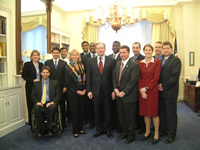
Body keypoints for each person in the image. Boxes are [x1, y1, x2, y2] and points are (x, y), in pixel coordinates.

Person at [87, 42, 115, 138]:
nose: (100, 50)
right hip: (95, 91)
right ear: (95, 49)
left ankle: (107, 129)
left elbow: (113, 77)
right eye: (98, 48)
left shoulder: (111, 60)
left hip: (108, 91)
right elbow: (89, 77)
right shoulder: (90, 61)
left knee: (108, 111)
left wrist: (113, 90)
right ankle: (99, 130)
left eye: (102, 48)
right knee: (97, 111)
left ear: (105, 49)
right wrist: (89, 90)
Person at [113, 45, 139, 144]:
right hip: (118, 95)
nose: (122, 54)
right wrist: (115, 89)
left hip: (129, 96)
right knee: (122, 116)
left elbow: (133, 81)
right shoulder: (118, 63)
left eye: (124, 52)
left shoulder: (134, 64)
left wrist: (123, 92)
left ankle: (131, 136)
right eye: (121, 52)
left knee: (130, 118)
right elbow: (114, 77)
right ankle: (125, 132)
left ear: (128, 53)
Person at [158, 41, 181, 144]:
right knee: (162, 113)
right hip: (161, 92)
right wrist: (159, 84)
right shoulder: (161, 59)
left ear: (171, 49)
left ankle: (171, 135)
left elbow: (174, 77)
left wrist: (164, 86)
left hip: (170, 92)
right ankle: (164, 130)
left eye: (167, 48)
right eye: (164, 48)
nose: (165, 50)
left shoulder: (176, 60)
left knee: (171, 114)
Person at [138, 44, 161, 144]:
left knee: (154, 113)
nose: (148, 52)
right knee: (145, 113)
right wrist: (141, 90)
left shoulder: (156, 62)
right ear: (143, 51)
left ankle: (156, 133)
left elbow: (156, 78)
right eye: (146, 50)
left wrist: (146, 88)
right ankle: (147, 131)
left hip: (152, 91)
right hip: (142, 92)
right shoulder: (140, 62)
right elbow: (139, 78)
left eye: (149, 50)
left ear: (152, 51)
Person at [31, 66, 61, 135]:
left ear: (49, 74)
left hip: (50, 102)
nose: (45, 74)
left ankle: (50, 128)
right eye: (44, 72)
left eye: (47, 72)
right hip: (40, 102)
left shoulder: (54, 83)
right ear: (41, 73)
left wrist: (52, 102)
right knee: (36, 108)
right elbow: (33, 95)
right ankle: (42, 128)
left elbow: (58, 95)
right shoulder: (36, 84)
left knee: (52, 107)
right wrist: (37, 102)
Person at [65, 49, 86, 138]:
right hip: (73, 93)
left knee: (81, 111)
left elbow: (85, 78)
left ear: (78, 56)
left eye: (76, 54)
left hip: (82, 92)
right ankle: (75, 130)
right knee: (74, 112)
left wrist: (84, 89)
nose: (75, 56)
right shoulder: (68, 67)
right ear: (70, 56)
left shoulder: (81, 66)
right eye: (73, 55)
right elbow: (68, 82)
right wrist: (77, 91)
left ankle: (81, 128)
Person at [45, 47, 67, 128]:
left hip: (62, 88)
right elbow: (46, 75)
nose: (55, 54)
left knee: (62, 105)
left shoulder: (64, 63)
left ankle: (63, 122)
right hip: (51, 88)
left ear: (59, 53)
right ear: (52, 53)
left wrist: (65, 86)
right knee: (52, 105)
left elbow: (65, 76)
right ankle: (53, 122)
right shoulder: (47, 63)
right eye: (54, 52)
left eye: (57, 53)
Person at [22, 50, 43, 126]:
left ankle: (39, 120)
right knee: (30, 104)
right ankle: (32, 122)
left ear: (39, 56)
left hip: (39, 87)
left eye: (37, 55)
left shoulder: (41, 65)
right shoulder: (27, 64)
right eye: (34, 55)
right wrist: (33, 80)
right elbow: (24, 76)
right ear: (31, 57)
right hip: (30, 87)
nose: (35, 56)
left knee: (39, 103)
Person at [130, 42, 145, 134]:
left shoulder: (143, 58)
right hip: (132, 88)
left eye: (137, 47)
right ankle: (137, 125)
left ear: (140, 49)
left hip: (140, 87)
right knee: (135, 109)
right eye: (133, 47)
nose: (135, 49)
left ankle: (142, 127)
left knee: (141, 108)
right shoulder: (131, 59)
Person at [81, 42, 96, 129]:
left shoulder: (99, 56)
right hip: (88, 84)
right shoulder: (84, 57)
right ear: (89, 47)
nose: (93, 47)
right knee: (89, 104)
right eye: (91, 46)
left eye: (94, 46)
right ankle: (91, 122)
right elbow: (83, 72)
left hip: (98, 84)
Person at [109, 41, 122, 133]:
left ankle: (119, 125)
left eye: (117, 45)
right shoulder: (109, 57)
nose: (115, 47)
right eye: (114, 45)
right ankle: (112, 124)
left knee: (119, 108)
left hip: (119, 86)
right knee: (111, 107)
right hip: (109, 85)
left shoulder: (122, 57)